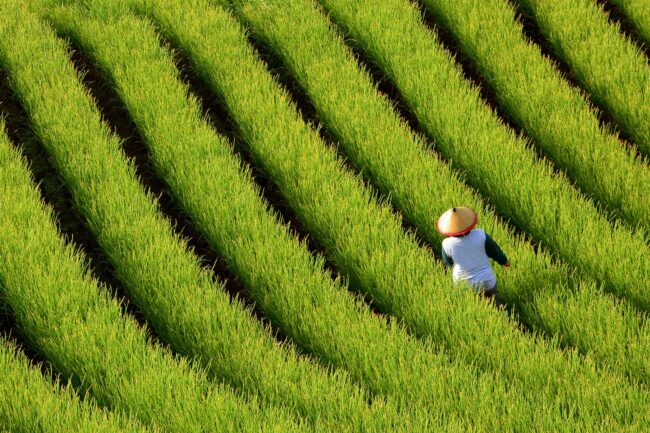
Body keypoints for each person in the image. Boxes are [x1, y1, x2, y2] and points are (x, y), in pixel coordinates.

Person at [436, 207, 510, 307]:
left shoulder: (447, 244)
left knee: (471, 309)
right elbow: (495, 252)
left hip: (464, 284)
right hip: (486, 280)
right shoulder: (481, 235)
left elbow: (448, 263)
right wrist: (505, 262)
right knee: (495, 306)